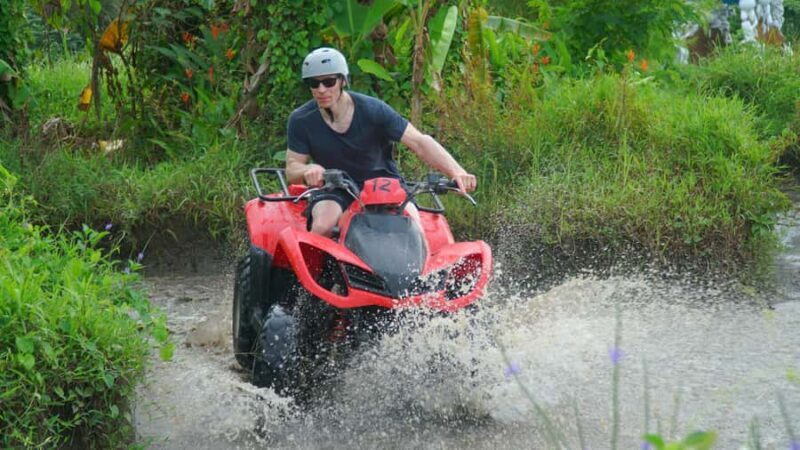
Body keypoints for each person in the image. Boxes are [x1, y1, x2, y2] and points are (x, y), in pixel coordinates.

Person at [285, 47, 477, 237]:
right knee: (322, 226)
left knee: (415, 230)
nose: (321, 90)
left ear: (343, 80)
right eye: (314, 83)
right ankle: (316, 268)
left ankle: (428, 270)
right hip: (335, 186)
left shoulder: (373, 109)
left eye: (328, 82)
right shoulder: (301, 119)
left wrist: (456, 171)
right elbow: (292, 168)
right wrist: (308, 170)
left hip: (385, 186)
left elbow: (419, 142)